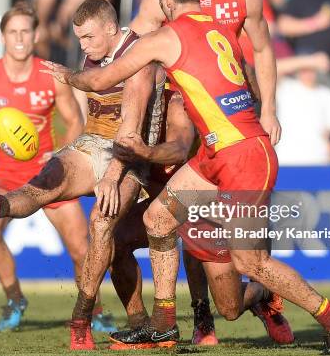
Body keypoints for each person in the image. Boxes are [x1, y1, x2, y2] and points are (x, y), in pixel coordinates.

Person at [41, 0, 330, 355]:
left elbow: (104, 78)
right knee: (159, 219)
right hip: (217, 153)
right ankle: (163, 326)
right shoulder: (220, 27)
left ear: (166, 0)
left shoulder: (166, 37)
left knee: (251, 264)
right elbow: (246, 73)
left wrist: (67, 75)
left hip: (242, 156)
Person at [0, 0, 163, 349]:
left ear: (110, 28)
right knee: (45, 182)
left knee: (102, 227)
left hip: (133, 155)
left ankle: (83, 317)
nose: (83, 46)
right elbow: (91, 107)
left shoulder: (139, 55)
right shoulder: (92, 52)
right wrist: (67, 152)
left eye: (87, 37)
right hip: (94, 143)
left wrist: (111, 176)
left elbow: (129, 131)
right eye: (79, 39)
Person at [129, 0, 280, 342]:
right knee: (182, 218)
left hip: (234, 118)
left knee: (242, 227)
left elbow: (262, 50)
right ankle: (201, 317)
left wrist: (271, 110)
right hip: (186, 113)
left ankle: (262, 287)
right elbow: (133, 54)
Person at [109, 86, 294, 350]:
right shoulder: (134, 88)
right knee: (116, 238)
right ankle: (149, 324)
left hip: (214, 184)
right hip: (167, 193)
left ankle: (263, 293)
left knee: (231, 304)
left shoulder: (193, 83)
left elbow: (181, 149)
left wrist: (267, 109)